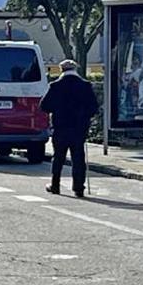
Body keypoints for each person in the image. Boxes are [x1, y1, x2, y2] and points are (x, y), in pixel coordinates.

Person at [40, 59, 99, 198]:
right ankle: (79, 188)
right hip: (79, 128)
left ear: (62, 70)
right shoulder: (85, 86)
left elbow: (44, 106)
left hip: (61, 127)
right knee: (78, 157)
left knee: (59, 157)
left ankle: (55, 185)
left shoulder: (56, 86)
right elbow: (94, 107)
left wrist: (56, 110)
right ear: (75, 69)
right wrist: (84, 117)